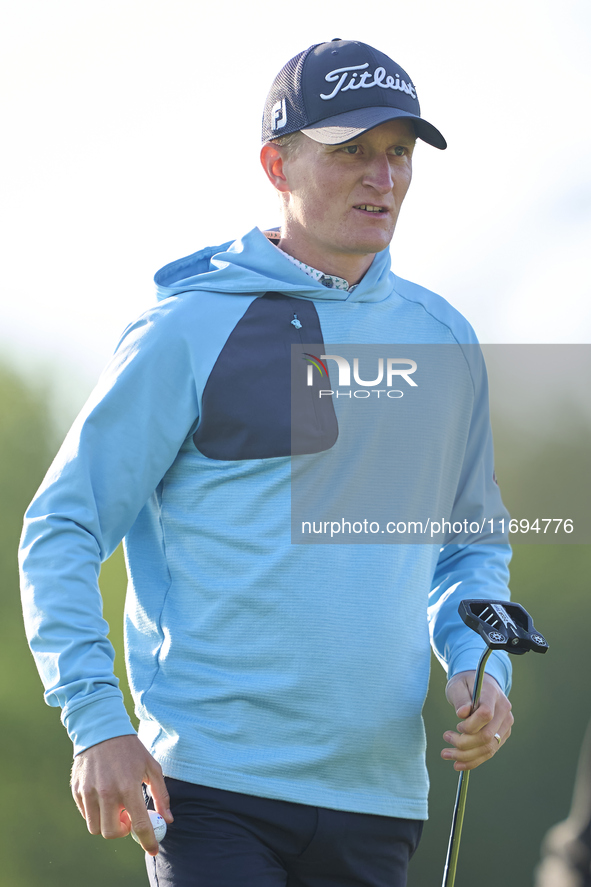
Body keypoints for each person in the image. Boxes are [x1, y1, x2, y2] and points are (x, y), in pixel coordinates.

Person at [19, 39, 514, 887]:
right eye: (350, 151)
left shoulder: (443, 339)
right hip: (211, 793)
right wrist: (97, 719)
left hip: (381, 799)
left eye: (397, 152)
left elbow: (467, 550)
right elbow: (60, 526)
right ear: (275, 163)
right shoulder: (184, 328)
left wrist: (479, 662)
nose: (381, 177)